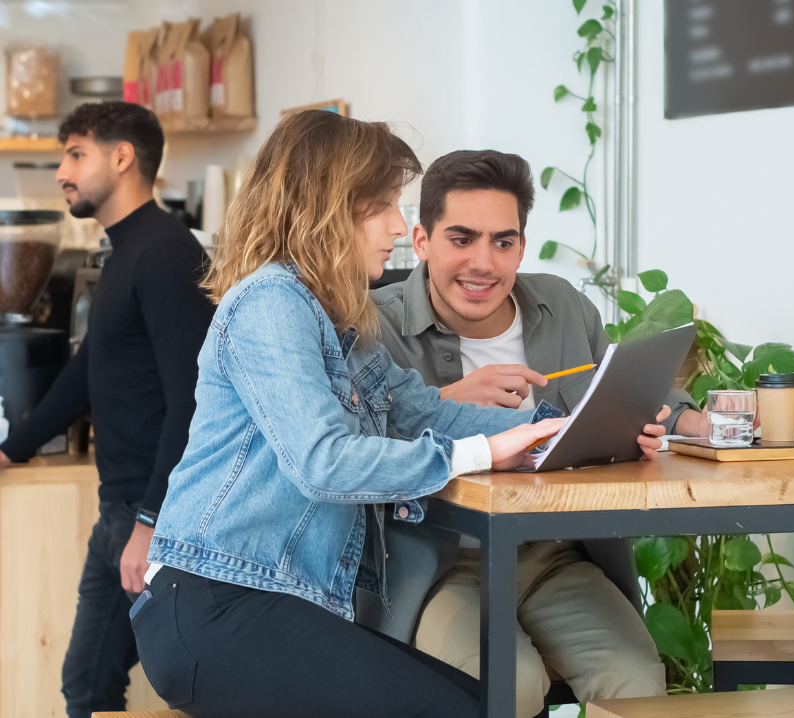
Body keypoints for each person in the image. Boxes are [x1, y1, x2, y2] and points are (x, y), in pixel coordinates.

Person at [130, 111, 671, 718]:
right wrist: (485, 453)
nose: (397, 224)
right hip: (214, 600)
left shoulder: (340, 318)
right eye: (383, 205)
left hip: (276, 597)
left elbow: (424, 414)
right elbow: (323, 462)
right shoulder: (269, 303)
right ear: (328, 210)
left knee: (483, 703)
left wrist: (555, 431)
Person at [367, 149, 711, 717]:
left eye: (503, 242)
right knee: (513, 685)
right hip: (440, 564)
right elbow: (343, 442)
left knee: (636, 680)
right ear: (421, 241)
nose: (483, 262)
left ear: (521, 247)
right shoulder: (372, 321)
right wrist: (448, 403)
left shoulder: (563, 307)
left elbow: (626, 388)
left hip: (553, 555)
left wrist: (687, 420)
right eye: (461, 239)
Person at [0, 102, 214, 718]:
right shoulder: (127, 253)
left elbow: (193, 399)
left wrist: (152, 521)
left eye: (76, 154)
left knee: (92, 686)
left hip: (151, 515)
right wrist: (11, 448)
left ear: (122, 158)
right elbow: (85, 374)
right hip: (121, 510)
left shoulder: (166, 255)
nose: (62, 172)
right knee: (88, 683)